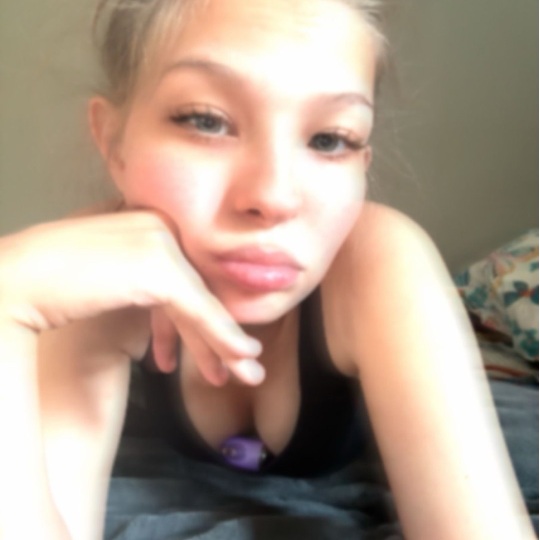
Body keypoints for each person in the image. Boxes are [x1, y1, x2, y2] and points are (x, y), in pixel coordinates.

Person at [0, 0, 535, 539]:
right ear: (113, 142)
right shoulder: (90, 278)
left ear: (363, 160)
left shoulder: (379, 261)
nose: (274, 198)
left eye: (330, 140)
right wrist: (8, 294)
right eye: (206, 121)